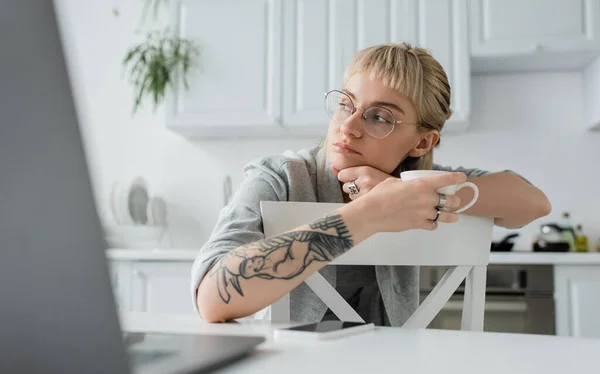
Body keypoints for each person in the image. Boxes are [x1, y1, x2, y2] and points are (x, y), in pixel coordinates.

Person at [192, 43, 551, 325]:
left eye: (379, 117)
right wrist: (370, 213)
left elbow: (534, 203)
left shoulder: (416, 182)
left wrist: (418, 196)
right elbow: (210, 299)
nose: (348, 126)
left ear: (422, 143)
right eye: (346, 104)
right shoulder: (278, 177)